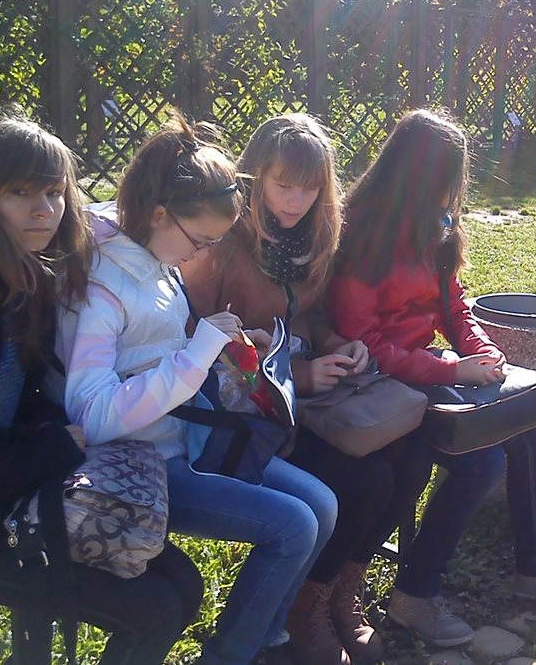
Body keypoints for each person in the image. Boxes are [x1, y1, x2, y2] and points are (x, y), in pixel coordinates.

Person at [57, 114, 340, 665]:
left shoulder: (158, 257)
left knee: (322, 506)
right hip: (141, 464)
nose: (199, 255)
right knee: (293, 526)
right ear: (160, 214)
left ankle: (262, 638)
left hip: (185, 440)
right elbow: (92, 416)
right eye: (200, 241)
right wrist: (195, 355)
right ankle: (231, 654)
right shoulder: (103, 288)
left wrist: (225, 346)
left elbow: (159, 352)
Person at [328, 109, 536, 648]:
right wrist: (451, 369)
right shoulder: (361, 235)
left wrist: (482, 351)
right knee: (484, 462)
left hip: (427, 371)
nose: (452, 193)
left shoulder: (436, 224)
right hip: (379, 384)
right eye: (446, 178)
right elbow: (365, 343)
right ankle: (415, 595)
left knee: (530, 420)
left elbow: (454, 303)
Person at [181, 113, 433, 662]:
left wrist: (339, 342)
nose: (296, 201)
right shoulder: (220, 244)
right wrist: (295, 375)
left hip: (303, 404)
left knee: (413, 455)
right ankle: (302, 606)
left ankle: (339, 592)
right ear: (254, 178)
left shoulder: (312, 238)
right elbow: (192, 345)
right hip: (244, 420)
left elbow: (308, 317)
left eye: (310, 188)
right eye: (283, 185)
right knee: (364, 479)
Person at [0, 116, 202, 665]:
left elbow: (21, 404)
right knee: (155, 609)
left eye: (53, 192)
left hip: (13, 487)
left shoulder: (29, 279)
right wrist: (49, 448)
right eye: (19, 193)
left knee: (184, 586)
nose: (43, 210)